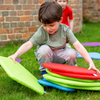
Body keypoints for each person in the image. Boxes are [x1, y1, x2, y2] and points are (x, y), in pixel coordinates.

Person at [8, 2, 100, 76]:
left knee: (72, 53)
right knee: (43, 49)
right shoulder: (41, 31)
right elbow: (29, 44)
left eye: (51, 25)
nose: (48, 29)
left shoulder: (65, 30)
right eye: (45, 25)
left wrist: (90, 62)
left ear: (60, 20)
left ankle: (71, 72)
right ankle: (45, 72)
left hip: (61, 55)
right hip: (47, 56)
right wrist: (15, 55)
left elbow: (78, 46)